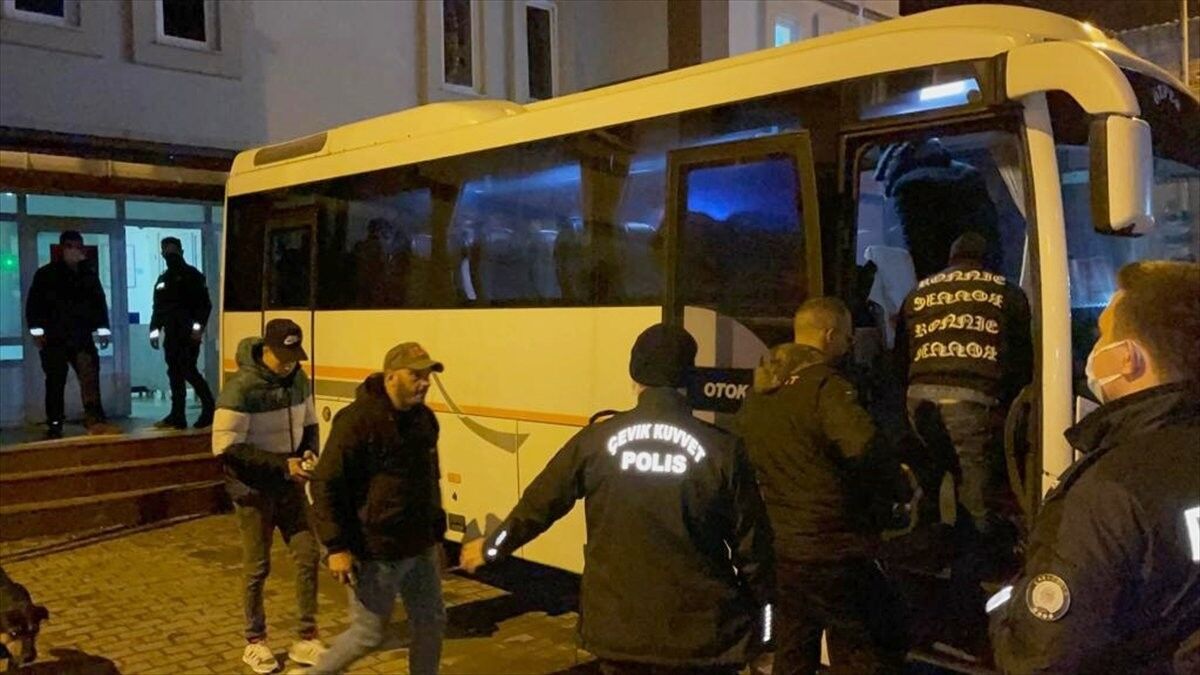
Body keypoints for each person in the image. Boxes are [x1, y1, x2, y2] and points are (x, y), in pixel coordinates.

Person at [462, 324, 774, 675]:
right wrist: (766, 633)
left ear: (634, 376)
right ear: (689, 379)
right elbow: (755, 553)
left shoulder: (594, 441)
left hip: (618, 632)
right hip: (700, 638)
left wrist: (492, 547)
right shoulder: (723, 449)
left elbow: (538, 506)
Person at [988, 261, 1200, 674]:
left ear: (1128, 358)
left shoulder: (1112, 489)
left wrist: (1005, 605)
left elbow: (1043, 656)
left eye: (1104, 335)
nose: (1094, 349)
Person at [736, 297, 909, 674]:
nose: (848, 346)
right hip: (834, 550)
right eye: (846, 338)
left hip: (783, 548)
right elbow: (864, 446)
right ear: (829, 336)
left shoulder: (761, 391)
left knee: (794, 648)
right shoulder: (826, 387)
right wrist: (900, 489)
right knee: (862, 647)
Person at [299, 342, 448, 675]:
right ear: (391, 376)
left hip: (419, 546)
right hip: (375, 550)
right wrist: (336, 547)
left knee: (431, 622)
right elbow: (325, 483)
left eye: (427, 375)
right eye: (416, 375)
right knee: (368, 634)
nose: (425, 383)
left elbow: (430, 480)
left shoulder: (424, 419)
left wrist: (437, 536)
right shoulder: (357, 420)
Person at [895, 232, 1032, 575]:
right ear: (989, 259)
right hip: (972, 401)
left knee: (933, 481)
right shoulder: (1005, 291)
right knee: (976, 492)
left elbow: (900, 355)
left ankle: (930, 558)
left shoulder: (919, 292)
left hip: (919, 401)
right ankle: (982, 571)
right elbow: (1022, 357)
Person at [211, 319, 325, 674]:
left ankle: (307, 637)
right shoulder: (241, 388)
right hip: (253, 491)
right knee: (257, 566)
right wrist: (282, 464)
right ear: (268, 349)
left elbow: (310, 423)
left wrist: (308, 453)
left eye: (295, 357)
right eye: (284, 357)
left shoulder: (298, 380)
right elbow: (226, 447)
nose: (290, 364)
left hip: (289, 486)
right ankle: (255, 641)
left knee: (307, 555)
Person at [25, 230, 119, 439]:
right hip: (54, 338)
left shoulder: (87, 275)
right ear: (62, 249)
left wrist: (103, 329)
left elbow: (98, 303)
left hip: (81, 337)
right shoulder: (47, 274)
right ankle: (55, 422)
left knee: (89, 378)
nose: (75, 251)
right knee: (55, 381)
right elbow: (34, 305)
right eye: (70, 246)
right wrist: (37, 331)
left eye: (78, 247)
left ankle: (95, 419)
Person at [149, 237, 216, 430]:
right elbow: (158, 308)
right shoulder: (163, 279)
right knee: (174, 373)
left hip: (187, 334)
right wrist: (154, 330)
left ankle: (209, 408)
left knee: (188, 370)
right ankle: (177, 415)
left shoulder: (192, 276)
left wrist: (197, 330)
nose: (169, 254)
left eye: (172, 250)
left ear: (181, 251)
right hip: (171, 334)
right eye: (166, 250)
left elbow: (204, 306)